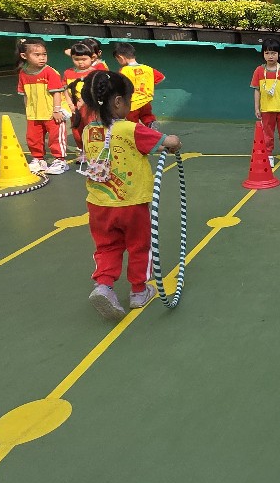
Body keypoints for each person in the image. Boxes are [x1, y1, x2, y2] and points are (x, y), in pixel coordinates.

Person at [80, 70, 181, 321]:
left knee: (107, 246)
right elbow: (168, 141)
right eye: (129, 100)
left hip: (99, 205)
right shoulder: (130, 129)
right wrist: (175, 142)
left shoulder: (88, 131)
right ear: (118, 102)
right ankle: (138, 291)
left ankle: (104, 285)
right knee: (139, 245)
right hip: (131, 203)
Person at [15, 38, 69, 174]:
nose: (42, 58)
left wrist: (57, 110)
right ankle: (38, 160)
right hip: (34, 114)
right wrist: (28, 111)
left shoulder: (50, 72)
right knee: (33, 138)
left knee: (56, 138)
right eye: (37, 55)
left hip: (52, 113)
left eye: (44, 54)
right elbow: (25, 94)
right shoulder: (23, 73)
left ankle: (60, 161)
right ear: (24, 56)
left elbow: (57, 93)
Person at [252, 38, 280, 167]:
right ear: (263, 54)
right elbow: (257, 90)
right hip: (266, 109)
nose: (270, 56)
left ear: (279, 54)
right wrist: (257, 108)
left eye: (273, 53)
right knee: (267, 134)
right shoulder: (259, 71)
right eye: (267, 53)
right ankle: (269, 155)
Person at [63, 41, 98, 174]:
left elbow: (93, 89)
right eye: (77, 59)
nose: (81, 62)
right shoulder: (68, 73)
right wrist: (69, 103)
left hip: (90, 108)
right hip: (75, 109)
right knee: (77, 131)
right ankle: (83, 151)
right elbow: (65, 89)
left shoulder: (94, 73)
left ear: (92, 58)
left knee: (92, 130)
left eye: (84, 59)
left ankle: (95, 153)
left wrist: (83, 100)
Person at [113, 42, 165, 126]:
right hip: (146, 101)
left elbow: (118, 85)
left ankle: (136, 130)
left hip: (132, 103)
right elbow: (161, 78)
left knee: (132, 122)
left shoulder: (124, 71)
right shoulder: (148, 69)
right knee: (147, 116)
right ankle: (151, 124)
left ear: (121, 57)